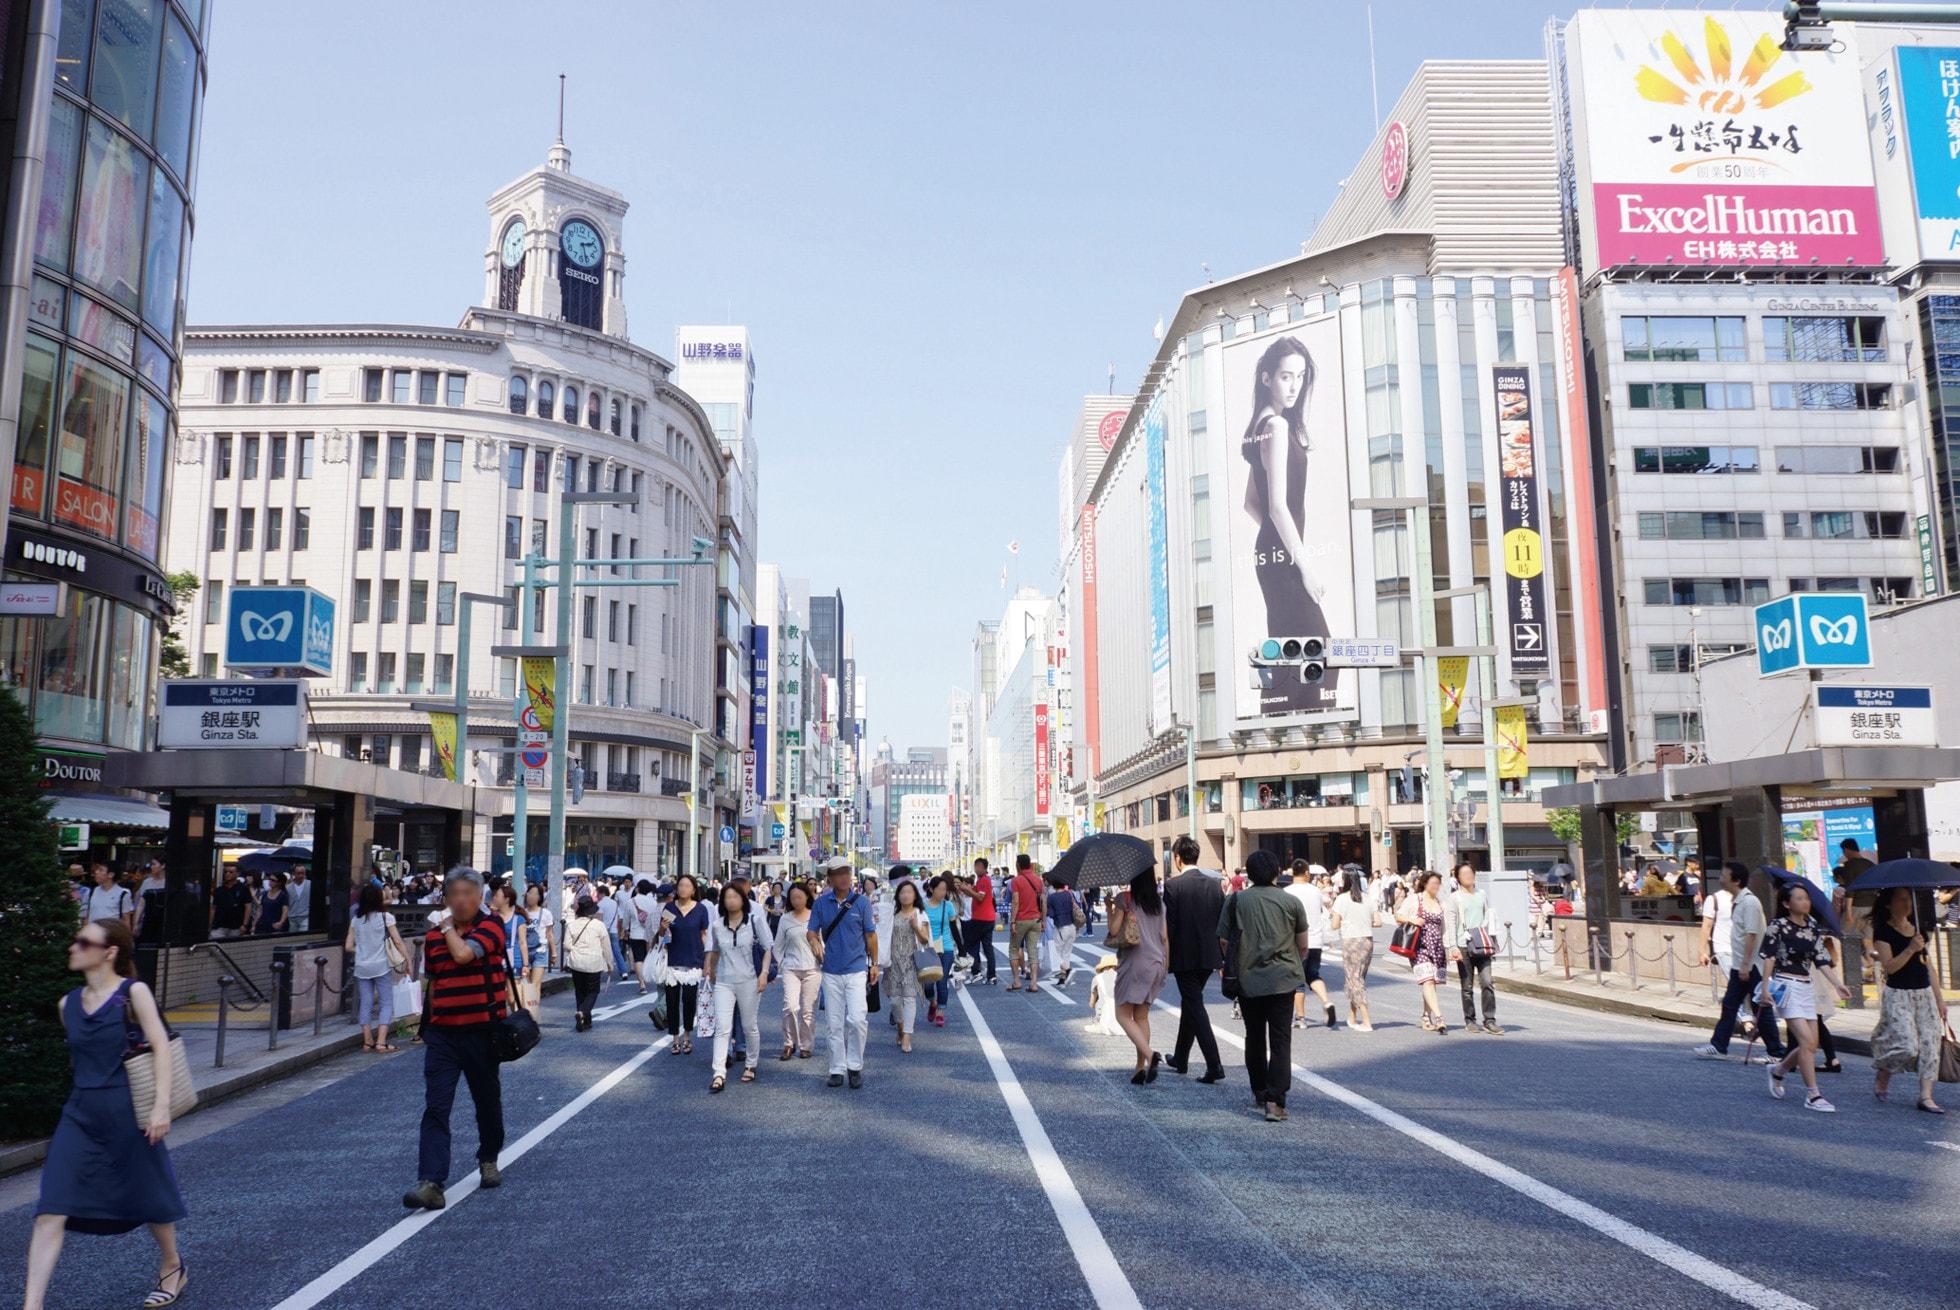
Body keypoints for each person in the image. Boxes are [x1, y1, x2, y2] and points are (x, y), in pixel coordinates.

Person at [24, 920, 188, 1310]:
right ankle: (32, 1305)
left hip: (129, 1111)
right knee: (51, 1207)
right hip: (79, 1115)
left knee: (151, 1195)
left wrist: (160, 1106)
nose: (73, 947)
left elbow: (161, 1048)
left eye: (83, 941)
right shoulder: (68, 1005)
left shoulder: (134, 993)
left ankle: (172, 1265)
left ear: (109, 952)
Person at [1239, 334, 1336, 715]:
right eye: (1285, 376)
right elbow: (1277, 506)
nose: (1294, 385)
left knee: (1287, 647)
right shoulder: (1276, 427)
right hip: (1284, 558)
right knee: (1318, 647)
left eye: (1300, 376)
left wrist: (1275, 541)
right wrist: (1305, 566)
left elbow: (1251, 503)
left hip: (1272, 552)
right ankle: (1304, 728)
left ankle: (1276, 723)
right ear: (1266, 378)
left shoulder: (1260, 424)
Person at [1221, 851, 1312, 1122]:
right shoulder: (1291, 901)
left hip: (1248, 980)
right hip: (1284, 978)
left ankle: (1260, 1090)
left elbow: (1225, 942)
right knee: (1281, 1040)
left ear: (1248, 873)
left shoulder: (1236, 900)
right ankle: (1275, 1102)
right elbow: (1304, 945)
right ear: (1276, 872)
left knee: (1255, 1036)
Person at [1757, 882, 1849, 1113]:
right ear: (1787, 904)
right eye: (1798, 898)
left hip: (1806, 986)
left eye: (1805, 898)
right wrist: (1766, 988)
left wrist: (1837, 984)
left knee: (1812, 1044)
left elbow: (1821, 959)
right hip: (1786, 986)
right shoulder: (1777, 926)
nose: (1804, 902)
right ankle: (1813, 1094)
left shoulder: (1812, 927)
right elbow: (1768, 956)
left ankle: (1778, 1070)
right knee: (1807, 1042)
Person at [1692, 864, 1786, 1064]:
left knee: (1761, 1006)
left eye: (1725, 875)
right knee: (1730, 1005)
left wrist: (1745, 964)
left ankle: (1776, 1051)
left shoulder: (1749, 902)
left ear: (1736, 880)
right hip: (1740, 964)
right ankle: (1719, 1046)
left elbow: (1751, 935)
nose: (1721, 878)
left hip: (1750, 966)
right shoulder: (1738, 900)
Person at [1870, 886, 1947, 1114]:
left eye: (1908, 900)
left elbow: (1928, 966)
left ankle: (1926, 1096)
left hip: (1923, 993)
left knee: (1930, 1046)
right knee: (1907, 1045)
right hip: (1898, 994)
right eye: (1901, 899)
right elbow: (1890, 967)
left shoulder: (1919, 929)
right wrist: (1910, 948)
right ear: (1889, 904)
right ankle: (1884, 1071)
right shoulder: (1883, 932)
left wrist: (1939, 999)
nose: (1907, 904)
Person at [808, 855, 879, 1088]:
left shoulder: (862, 903)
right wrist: (815, 943)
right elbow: (811, 931)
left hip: (857, 968)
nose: (844, 877)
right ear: (829, 878)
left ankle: (855, 1065)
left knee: (858, 1019)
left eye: (847, 872)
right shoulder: (820, 903)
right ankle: (836, 1067)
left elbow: (870, 935)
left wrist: (875, 964)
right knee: (834, 1022)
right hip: (830, 970)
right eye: (838, 873)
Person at [1162, 835, 1226, 1082]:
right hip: (1209, 954)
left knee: (1195, 1006)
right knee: (1191, 1003)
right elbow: (1221, 920)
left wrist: (1166, 957)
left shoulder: (1173, 886)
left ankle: (1214, 1064)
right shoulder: (1214, 883)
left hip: (1184, 955)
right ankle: (1181, 1057)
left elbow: (1171, 925)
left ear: (1177, 858)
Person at [704, 883, 773, 1091]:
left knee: (749, 1025)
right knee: (722, 1028)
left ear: (743, 899)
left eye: (735, 896)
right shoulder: (717, 925)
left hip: (749, 979)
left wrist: (763, 974)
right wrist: (710, 970)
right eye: (727, 897)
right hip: (724, 981)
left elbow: (767, 948)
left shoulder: (755, 920)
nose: (731, 900)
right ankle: (718, 1073)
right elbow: (714, 951)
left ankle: (751, 1064)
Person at [1106, 867, 1169, 1084]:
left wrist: (1110, 909)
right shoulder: (1158, 903)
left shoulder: (1126, 899)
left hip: (1134, 962)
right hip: (1157, 962)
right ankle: (1139, 1068)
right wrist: (1165, 967)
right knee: (1141, 1017)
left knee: (1122, 1015)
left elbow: (1114, 931)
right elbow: (1164, 938)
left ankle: (1151, 1056)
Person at [346, 883, 408, 1053]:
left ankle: (367, 1041)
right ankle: (381, 1042)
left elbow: (348, 946)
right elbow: (397, 941)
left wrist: (363, 949)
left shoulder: (356, 920)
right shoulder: (385, 917)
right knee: (386, 1003)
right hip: (381, 965)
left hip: (362, 967)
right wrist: (407, 959)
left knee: (365, 1002)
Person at [1445, 863, 1500, 1035]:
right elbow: (1451, 923)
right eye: (1464, 873)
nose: (1468, 876)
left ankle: (1489, 1020)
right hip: (1464, 945)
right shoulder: (1455, 898)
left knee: (1487, 982)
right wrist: (1453, 946)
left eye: (1470, 872)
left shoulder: (1482, 895)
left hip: (1482, 943)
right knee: (1467, 985)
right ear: (1458, 878)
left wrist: (1494, 942)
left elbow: (1488, 918)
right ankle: (1470, 1020)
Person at [659, 874, 709, 1055]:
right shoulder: (670, 907)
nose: (683, 889)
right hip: (673, 960)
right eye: (680, 886)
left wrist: (708, 959)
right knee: (672, 1002)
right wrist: (663, 928)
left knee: (689, 1001)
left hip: (694, 960)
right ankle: (674, 1038)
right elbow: (662, 934)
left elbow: (704, 934)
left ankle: (687, 1035)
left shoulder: (701, 909)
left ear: (694, 890)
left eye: (687, 886)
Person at [1286, 858, 1337, 1030]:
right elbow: (1329, 904)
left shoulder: (1287, 892)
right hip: (1316, 941)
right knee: (1313, 975)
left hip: (1296, 941)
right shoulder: (1316, 891)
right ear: (1307, 873)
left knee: (1297, 981)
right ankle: (1327, 1002)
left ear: (1292, 873)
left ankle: (1300, 1017)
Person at [1328, 867, 1378, 1031]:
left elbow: (1334, 925)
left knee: (1354, 980)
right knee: (1358, 978)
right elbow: (1378, 922)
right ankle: (1352, 1016)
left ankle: (1366, 1020)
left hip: (1351, 940)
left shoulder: (1342, 899)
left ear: (1345, 880)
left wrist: (1340, 919)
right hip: (1367, 940)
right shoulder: (1368, 898)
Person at [1400, 870, 1450, 1033]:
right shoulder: (1415, 899)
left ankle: (1425, 1016)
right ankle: (1439, 1017)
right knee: (1427, 981)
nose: (1436, 886)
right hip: (1419, 945)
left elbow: (1445, 928)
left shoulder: (1440, 902)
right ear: (1424, 884)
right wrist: (1412, 919)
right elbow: (1399, 915)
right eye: (1432, 883)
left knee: (1431, 983)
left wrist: (1449, 948)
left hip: (1437, 947)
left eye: (1438, 883)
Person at [885, 879, 930, 1053]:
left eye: (909, 892)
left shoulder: (920, 914)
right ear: (898, 896)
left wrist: (915, 927)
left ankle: (907, 1037)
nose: (905, 895)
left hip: (912, 962)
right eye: (902, 892)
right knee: (895, 1001)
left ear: (915, 895)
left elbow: (925, 939)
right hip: (894, 963)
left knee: (910, 999)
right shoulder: (892, 914)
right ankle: (900, 1028)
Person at [775, 881, 819, 1059]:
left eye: (800, 897)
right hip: (791, 968)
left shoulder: (816, 917)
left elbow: (822, 942)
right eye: (793, 898)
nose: (796, 900)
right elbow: (778, 946)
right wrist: (781, 963)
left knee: (808, 1010)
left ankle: (806, 1045)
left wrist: (821, 953)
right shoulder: (785, 919)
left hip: (813, 968)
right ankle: (788, 1042)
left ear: (807, 897)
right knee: (790, 1007)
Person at [561, 896, 611, 1031]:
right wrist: (610, 965)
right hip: (594, 963)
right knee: (593, 991)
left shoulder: (571, 925)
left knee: (580, 991)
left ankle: (585, 1021)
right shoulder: (599, 925)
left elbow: (566, 945)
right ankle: (583, 1012)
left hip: (576, 963)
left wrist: (576, 950)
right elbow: (606, 947)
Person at [924, 875, 961, 1024]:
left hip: (946, 947)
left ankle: (940, 1010)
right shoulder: (923, 906)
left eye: (945, 890)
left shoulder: (948, 906)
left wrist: (962, 949)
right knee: (927, 984)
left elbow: (953, 928)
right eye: (940, 889)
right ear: (932, 889)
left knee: (942, 980)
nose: (943, 892)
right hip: (928, 948)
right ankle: (932, 1002)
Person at [1007, 854, 1046, 993]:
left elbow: (1015, 902)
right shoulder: (1038, 880)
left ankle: (1017, 981)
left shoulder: (1016, 881)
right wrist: (1044, 920)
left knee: (1013, 949)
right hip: (1036, 919)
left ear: (1018, 865)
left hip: (1021, 919)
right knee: (1033, 951)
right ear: (1029, 864)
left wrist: (1012, 921)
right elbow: (1043, 901)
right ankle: (1034, 983)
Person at [959, 857, 998, 985]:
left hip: (981, 919)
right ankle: (991, 976)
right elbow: (974, 894)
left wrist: (967, 890)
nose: (977, 869)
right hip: (987, 918)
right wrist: (966, 889)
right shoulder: (981, 880)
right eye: (976, 866)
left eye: (979, 866)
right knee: (987, 947)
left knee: (971, 945)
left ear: (984, 868)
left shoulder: (984, 880)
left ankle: (976, 972)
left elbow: (980, 897)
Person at [520, 883, 552, 1008]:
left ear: (540, 897)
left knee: (535, 985)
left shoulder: (546, 913)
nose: (531, 896)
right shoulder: (522, 913)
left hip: (540, 951)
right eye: (529, 893)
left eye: (535, 894)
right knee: (527, 985)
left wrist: (554, 953)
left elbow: (550, 934)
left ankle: (532, 1013)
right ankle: (528, 1010)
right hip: (525, 951)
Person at [1046, 877, 1083, 986]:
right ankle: (1063, 978)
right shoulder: (1068, 894)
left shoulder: (1052, 897)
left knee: (1056, 954)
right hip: (1072, 926)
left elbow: (1051, 914)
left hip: (1061, 927)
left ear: (1054, 885)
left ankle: (1068, 970)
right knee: (1066, 953)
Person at [80, 862, 135, 932]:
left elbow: (126, 919)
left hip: (112, 935)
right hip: (93, 934)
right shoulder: (90, 892)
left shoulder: (123, 894)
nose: (96, 872)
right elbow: (86, 917)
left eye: (101, 870)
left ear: (111, 875)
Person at [253, 872, 291, 936]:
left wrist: (281, 922)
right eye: (269, 879)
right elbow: (260, 910)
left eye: (273, 880)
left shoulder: (283, 895)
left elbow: (285, 910)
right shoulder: (265, 893)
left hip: (275, 925)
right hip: (263, 924)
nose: (270, 881)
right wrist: (254, 924)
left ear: (279, 882)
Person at [286, 864, 313, 934]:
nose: (301, 875)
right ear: (294, 874)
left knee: (303, 935)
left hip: (305, 916)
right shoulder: (288, 887)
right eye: (298, 873)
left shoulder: (310, 884)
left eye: (303, 873)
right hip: (292, 917)